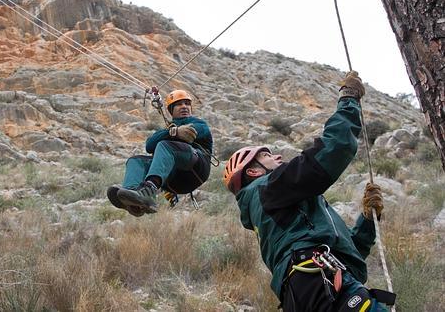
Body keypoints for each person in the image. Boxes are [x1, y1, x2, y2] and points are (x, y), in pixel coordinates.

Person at [222, 72, 394, 311]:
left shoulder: (290, 210)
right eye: (266, 155)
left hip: (315, 282)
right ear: (252, 172)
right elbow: (333, 149)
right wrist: (348, 99)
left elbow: (350, 254)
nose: (277, 156)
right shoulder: (267, 188)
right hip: (316, 277)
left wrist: (366, 220)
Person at [107, 89, 213, 216]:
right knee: (136, 160)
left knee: (165, 146)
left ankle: (149, 190)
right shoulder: (167, 130)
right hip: (174, 180)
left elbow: (191, 132)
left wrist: (175, 132)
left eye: (187, 103)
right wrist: (173, 132)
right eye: (179, 104)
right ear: (171, 110)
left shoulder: (199, 123)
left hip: (196, 170)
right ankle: (133, 196)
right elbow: (149, 145)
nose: (184, 106)